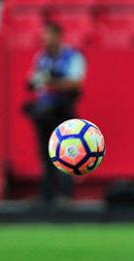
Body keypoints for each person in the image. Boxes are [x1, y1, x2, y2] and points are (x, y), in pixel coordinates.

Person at [23, 22, 86, 204]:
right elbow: (33, 80)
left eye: (48, 36)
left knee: (68, 152)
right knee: (45, 152)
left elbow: (75, 83)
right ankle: (47, 195)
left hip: (63, 112)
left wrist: (50, 82)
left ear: (58, 36)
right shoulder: (41, 57)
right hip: (44, 113)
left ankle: (66, 195)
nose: (45, 40)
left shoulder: (73, 57)